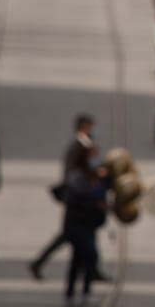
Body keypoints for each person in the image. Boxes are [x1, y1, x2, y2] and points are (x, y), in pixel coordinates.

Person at [31, 114, 110, 281]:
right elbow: (77, 174)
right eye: (91, 127)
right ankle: (39, 263)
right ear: (83, 128)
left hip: (80, 199)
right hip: (78, 200)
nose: (93, 131)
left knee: (78, 235)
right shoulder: (79, 148)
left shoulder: (83, 146)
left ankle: (92, 269)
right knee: (72, 235)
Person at [60, 140, 108, 307]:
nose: (96, 159)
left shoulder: (95, 176)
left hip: (88, 225)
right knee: (90, 256)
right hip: (76, 225)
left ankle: (74, 294)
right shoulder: (77, 176)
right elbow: (78, 197)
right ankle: (78, 293)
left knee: (78, 259)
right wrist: (95, 201)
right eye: (93, 156)